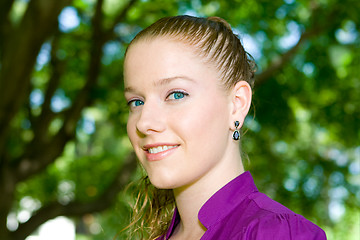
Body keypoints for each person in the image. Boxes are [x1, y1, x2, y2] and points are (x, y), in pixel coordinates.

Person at [123, 15, 326, 240]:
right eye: (136, 102)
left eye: (176, 94)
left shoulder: (275, 233)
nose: (144, 122)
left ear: (236, 105)